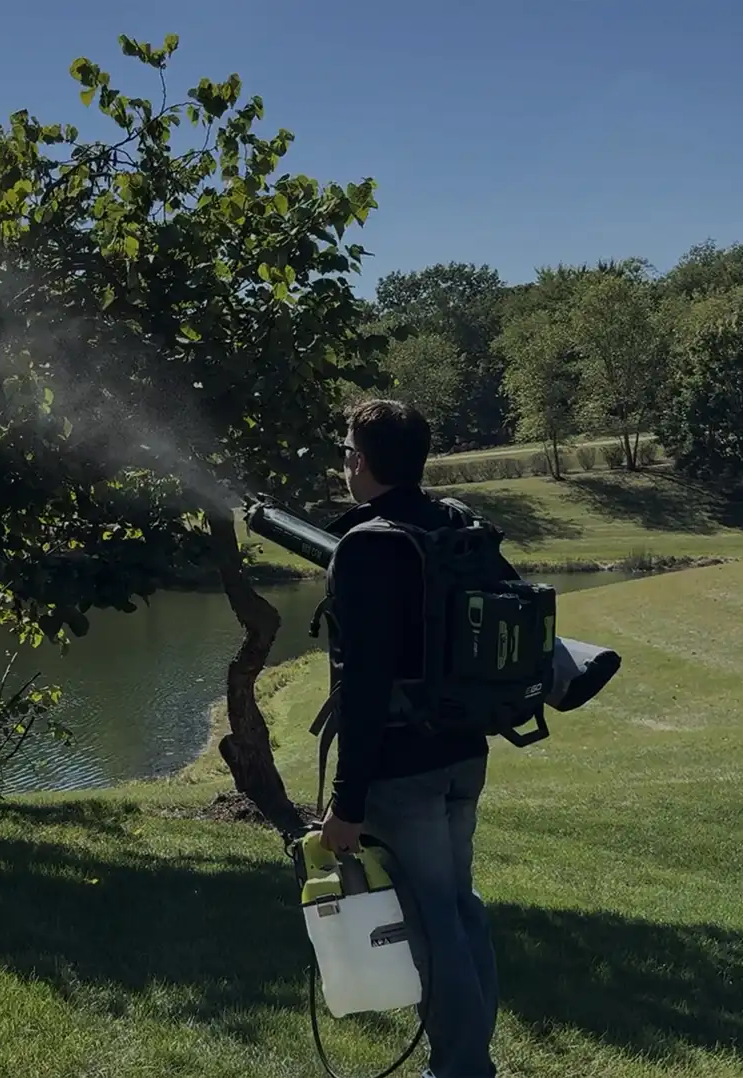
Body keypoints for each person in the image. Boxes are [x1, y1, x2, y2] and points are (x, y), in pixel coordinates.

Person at [318, 398, 503, 1078]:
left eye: (345, 452)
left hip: (403, 767)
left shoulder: (367, 550)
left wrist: (347, 803)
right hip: (463, 753)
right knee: (460, 908)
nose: (344, 463)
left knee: (433, 923)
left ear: (361, 463)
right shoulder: (451, 524)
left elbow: (363, 687)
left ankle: (459, 1071)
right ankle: (468, 1062)